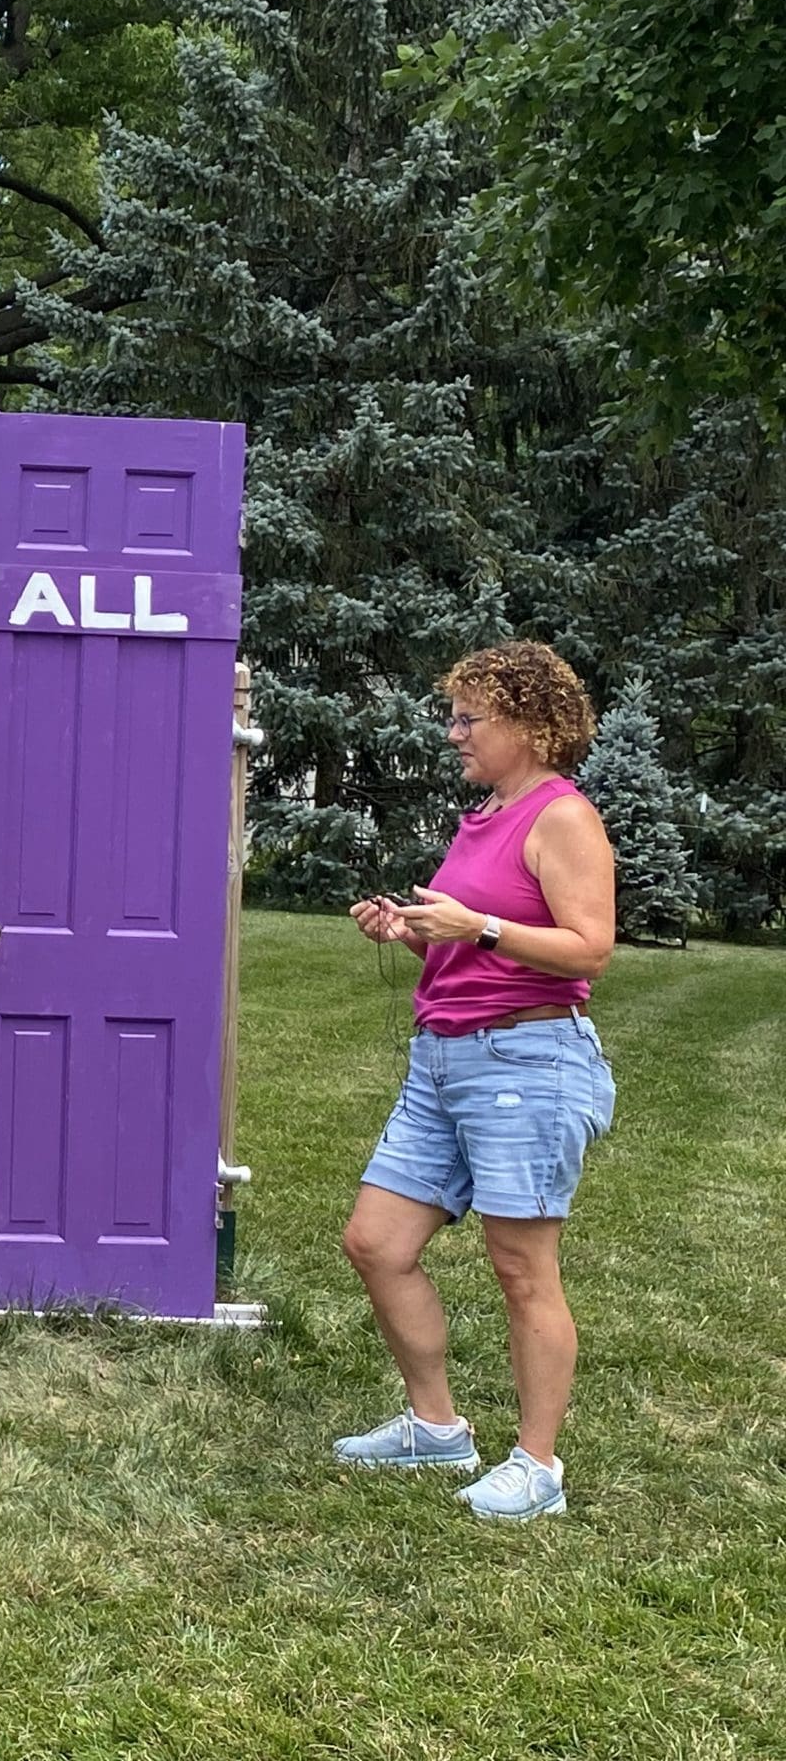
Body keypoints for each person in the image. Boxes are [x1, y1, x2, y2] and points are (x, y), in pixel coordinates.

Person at [338, 639, 618, 1521]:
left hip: (526, 1060)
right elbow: (466, 935)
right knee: (377, 1243)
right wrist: (415, 931)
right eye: (453, 715)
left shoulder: (562, 816)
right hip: (446, 1057)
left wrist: (481, 925)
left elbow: (591, 948)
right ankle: (435, 1428)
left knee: (522, 1267)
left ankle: (538, 1469)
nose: (454, 732)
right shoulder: (488, 812)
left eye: (470, 718)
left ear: (531, 726)